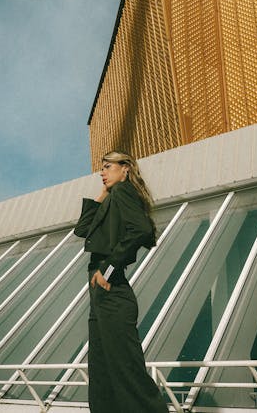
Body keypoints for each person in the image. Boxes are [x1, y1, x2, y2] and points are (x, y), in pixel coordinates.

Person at [74, 150, 168, 413]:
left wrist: (110, 269)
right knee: (102, 372)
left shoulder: (125, 192)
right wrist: (103, 194)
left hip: (112, 291)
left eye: (107, 167)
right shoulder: (112, 197)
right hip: (100, 296)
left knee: (127, 371)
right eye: (101, 169)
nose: (102, 172)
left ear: (125, 168)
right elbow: (83, 230)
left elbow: (142, 230)